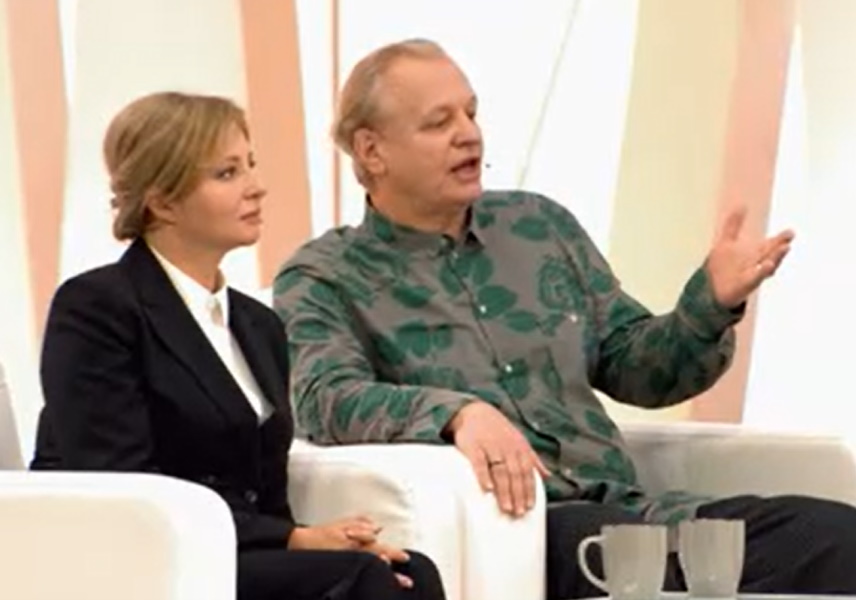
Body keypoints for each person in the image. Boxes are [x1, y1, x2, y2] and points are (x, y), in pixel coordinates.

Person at [273, 39, 856, 600]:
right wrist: (456, 413)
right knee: (635, 560)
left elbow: (637, 369)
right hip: (528, 534)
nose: (469, 134)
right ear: (371, 151)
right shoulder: (325, 275)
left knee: (838, 537)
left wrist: (708, 305)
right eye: (438, 122)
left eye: (471, 113)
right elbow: (325, 397)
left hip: (638, 513)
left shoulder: (538, 227)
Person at [30, 91, 447, 600]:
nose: (257, 187)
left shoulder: (257, 325)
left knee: (410, 571)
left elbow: (267, 493)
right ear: (162, 201)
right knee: (362, 577)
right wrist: (296, 540)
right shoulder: (98, 308)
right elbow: (124, 481)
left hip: (236, 551)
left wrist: (315, 542)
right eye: (227, 173)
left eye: (250, 165)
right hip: (145, 561)